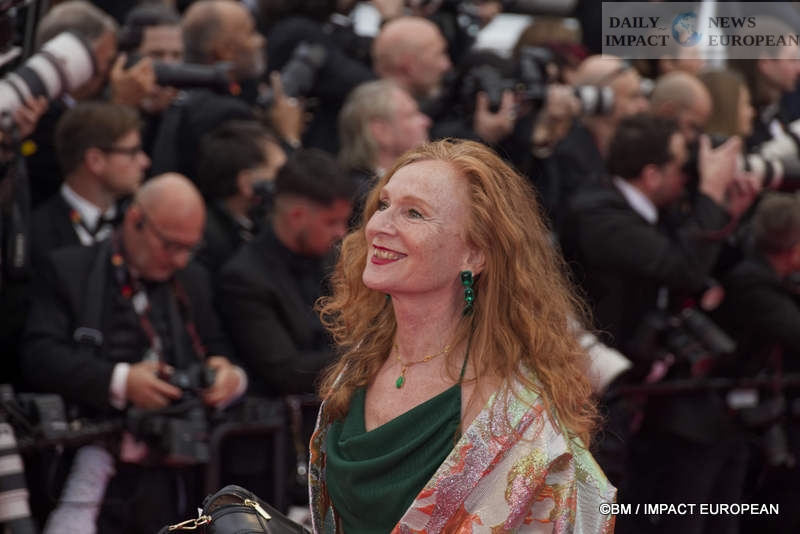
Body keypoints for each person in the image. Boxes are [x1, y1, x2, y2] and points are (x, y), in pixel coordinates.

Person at [309, 139, 616, 533]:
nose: (379, 226)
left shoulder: (516, 422)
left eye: (414, 214)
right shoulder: (356, 366)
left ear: (474, 255)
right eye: (384, 205)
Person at [22, 173, 245, 533]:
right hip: (91, 461)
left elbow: (222, 349)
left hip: (181, 472)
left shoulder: (194, 280)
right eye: (171, 246)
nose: (180, 260)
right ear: (135, 220)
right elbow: (38, 355)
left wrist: (229, 377)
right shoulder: (69, 270)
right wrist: (122, 381)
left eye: (190, 248)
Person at [30, 101, 150, 270]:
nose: (145, 161)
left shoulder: (139, 226)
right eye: (132, 152)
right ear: (95, 161)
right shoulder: (37, 235)